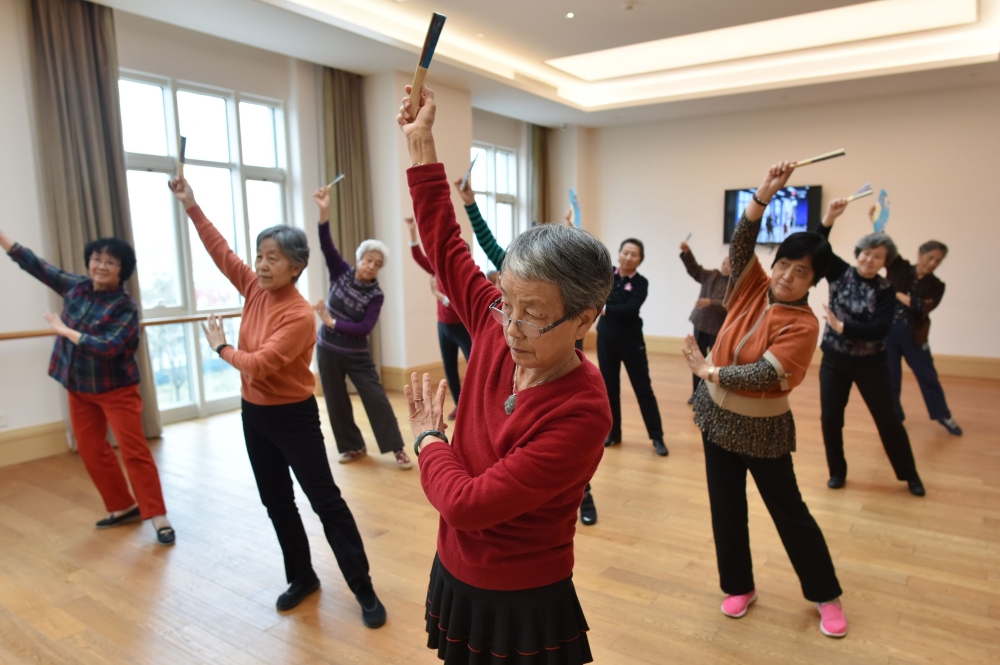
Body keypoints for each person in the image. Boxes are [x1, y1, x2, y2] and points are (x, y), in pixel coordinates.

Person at [399, 84, 613, 664]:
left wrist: (427, 440)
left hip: (520, 595)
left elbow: (466, 504)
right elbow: (446, 246)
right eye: (506, 304)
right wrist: (422, 146)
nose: (511, 326)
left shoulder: (582, 410)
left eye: (534, 314)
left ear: (584, 320)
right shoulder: (498, 328)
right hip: (456, 570)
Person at [167, 177, 385, 624]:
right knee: (277, 502)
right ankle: (303, 577)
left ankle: (364, 589)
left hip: (294, 419)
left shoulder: (299, 315)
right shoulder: (253, 288)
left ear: (296, 267)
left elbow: (260, 364)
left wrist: (220, 348)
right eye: (260, 256)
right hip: (256, 418)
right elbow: (221, 251)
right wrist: (192, 205)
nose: (262, 265)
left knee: (326, 502)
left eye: (273, 258)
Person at [682, 160, 847, 639]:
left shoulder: (804, 324)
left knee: (789, 512)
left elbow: (761, 375)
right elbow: (741, 244)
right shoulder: (752, 285)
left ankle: (825, 594)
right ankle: (738, 585)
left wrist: (708, 370)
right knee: (725, 506)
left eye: (801, 272)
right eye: (784, 265)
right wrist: (763, 195)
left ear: (812, 282)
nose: (787, 276)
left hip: (763, 428)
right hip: (716, 420)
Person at [1, 229, 174, 546]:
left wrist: (65, 331)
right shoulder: (76, 288)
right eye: (97, 259)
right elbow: (36, 265)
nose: (102, 266)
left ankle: (157, 514)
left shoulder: (125, 307)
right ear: (89, 262)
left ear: (122, 270)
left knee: (134, 452)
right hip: (78, 385)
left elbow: (108, 347)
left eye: (111, 262)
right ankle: (124, 506)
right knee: (92, 450)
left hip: (116, 389)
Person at [817, 199, 925, 496]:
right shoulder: (839, 273)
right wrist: (830, 217)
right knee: (830, 419)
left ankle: (910, 474)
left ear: (884, 262)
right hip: (834, 362)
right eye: (866, 253)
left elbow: (881, 328)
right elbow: (818, 245)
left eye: (877, 256)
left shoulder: (885, 289)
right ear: (859, 253)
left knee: (888, 420)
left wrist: (843, 327)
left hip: (872, 365)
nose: (869, 259)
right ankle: (837, 472)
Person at [312, 188, 411, 469]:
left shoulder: (375, 295)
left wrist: (332, 322)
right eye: (368, 260)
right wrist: (324, 210)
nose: (371, 266)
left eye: (377, 264)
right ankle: (353, 447)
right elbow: (325, 243)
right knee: (335, 400)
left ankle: (397, 449)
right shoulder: (340, 273)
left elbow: (364, 327)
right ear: (358, 259)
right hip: (327, 350)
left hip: (356, 354)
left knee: (376, 398)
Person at [884, 237, 961, 436]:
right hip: (888, 332)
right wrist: (878, 220)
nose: (933, 264)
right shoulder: (899, 267)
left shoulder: (937, 285)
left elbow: (921, 307)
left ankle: (943, 415)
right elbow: (885, 246)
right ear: (920, 254)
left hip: (914, 334)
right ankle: (894, 418)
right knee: (890, 377)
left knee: (928, 376)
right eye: (930, 258)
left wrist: (897, 294)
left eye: (938, 261)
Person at [598, 238, 668, 456]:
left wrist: (604, 307)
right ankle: (614, 433)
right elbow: (586, 261)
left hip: (631, 341)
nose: (628, 257)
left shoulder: (641, 283)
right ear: (618, 253)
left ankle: (657, 436)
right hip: (606, 339)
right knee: (609, 389)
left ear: (640, 259)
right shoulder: (607, 273)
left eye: (634, 254)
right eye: (625, 252)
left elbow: (631, 308)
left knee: (643, 388)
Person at [406, 216, 472, 420]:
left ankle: (473, 405)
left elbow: (458, 304)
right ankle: (460, 404)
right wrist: (412, 230)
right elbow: (418, 257)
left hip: (463, 326)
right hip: (443, 326)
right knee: (449, 367)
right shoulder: (438, 268)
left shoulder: (466, 276)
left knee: (474, 364)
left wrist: (438, 296)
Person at [680, 240, 730, 403]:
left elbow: (729, 304)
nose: (725, 266)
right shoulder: (711, 275)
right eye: (724, 262)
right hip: (700, 323)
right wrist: (687, 252)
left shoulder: (735, 284)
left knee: (714, 362)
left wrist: (711, 302)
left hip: (718, 328)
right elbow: (695, 269)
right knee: (697, 358)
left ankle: (713, 395)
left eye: (730, 264)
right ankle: (697, 395)